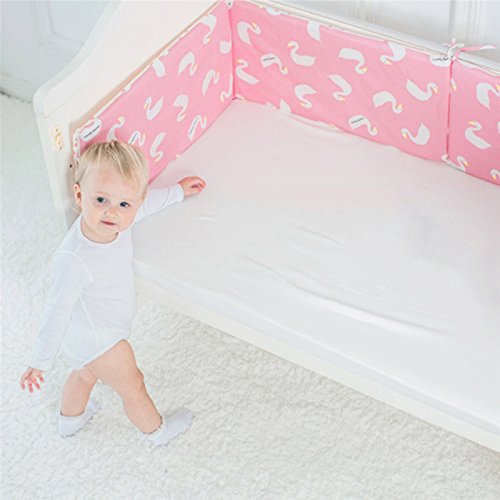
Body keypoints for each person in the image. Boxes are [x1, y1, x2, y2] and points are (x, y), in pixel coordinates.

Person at [19, 140, 206, 447]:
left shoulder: (118, 220)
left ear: (135, 203)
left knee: (84, 374)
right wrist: (40, 361)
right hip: (102, 341)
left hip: (86, 333)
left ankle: (69, 421)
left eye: (123, 205)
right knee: (134, 385)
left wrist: (177, 192)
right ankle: (157, 432)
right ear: (79, 195)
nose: (111, 212)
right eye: (101, 200)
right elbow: (55, 312)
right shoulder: (74, 259)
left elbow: (147, 204)